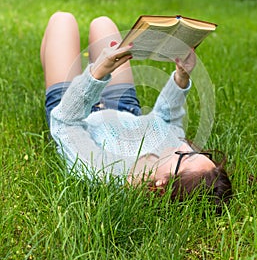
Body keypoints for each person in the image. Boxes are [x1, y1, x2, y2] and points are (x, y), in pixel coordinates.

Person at [40, 12, 232, 210]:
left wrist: (97, 73)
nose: (185, 146)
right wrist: (181, 77)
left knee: (62, 21)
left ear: (161, 186)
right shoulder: (171, 151)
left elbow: (66, 123)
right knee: (103, 24)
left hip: (73, 109)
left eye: (186, 156)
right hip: (123, 107)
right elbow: (167, 120)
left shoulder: (103, 173)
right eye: (195, 152)